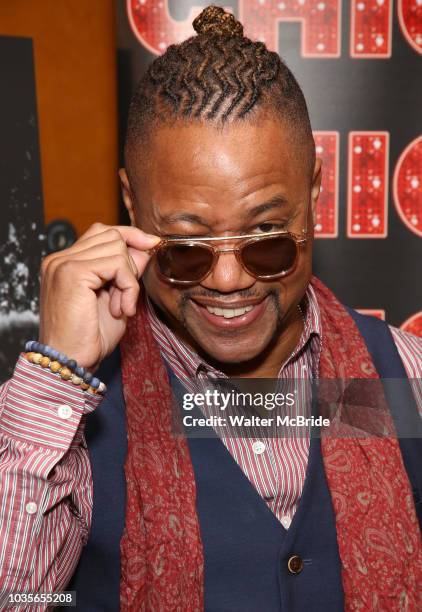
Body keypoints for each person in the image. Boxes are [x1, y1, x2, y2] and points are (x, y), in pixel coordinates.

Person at [0, 5, 421, 611]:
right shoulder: (69, 416)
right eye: (188, 247)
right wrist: (55, 377)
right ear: (131, 203)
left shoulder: (400, 379)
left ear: (315, 190)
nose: (227, 279)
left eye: (267, 239)